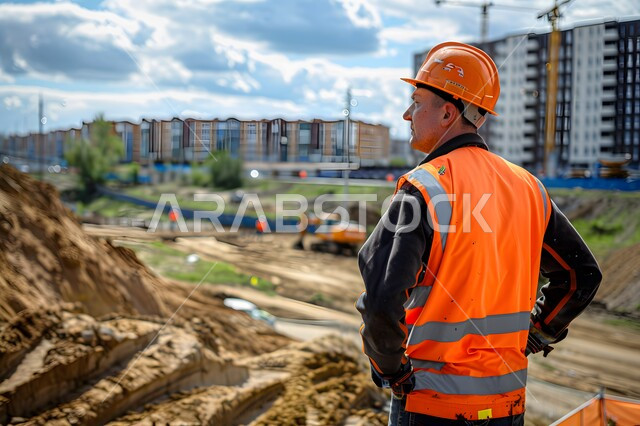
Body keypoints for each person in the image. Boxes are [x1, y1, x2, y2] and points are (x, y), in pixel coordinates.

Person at [356, 41, 602, 425]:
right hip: (506, 405)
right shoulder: (528, 187)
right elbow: (580, 276)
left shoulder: (424, 188)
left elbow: (382, 299)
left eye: (416, 101)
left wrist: (391, 369)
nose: (407, 114)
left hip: (429, 404)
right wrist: (539, 330)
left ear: (447, 113)